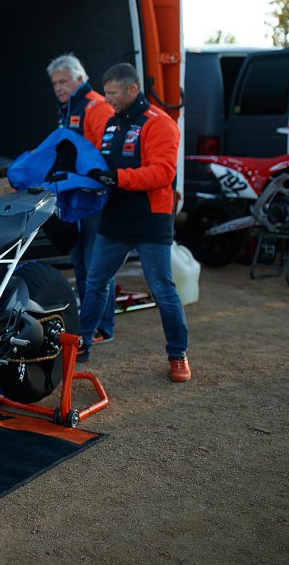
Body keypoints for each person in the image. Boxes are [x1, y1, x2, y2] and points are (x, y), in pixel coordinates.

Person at [79, 62, 191, 382]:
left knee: (162, 289)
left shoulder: (160, 123)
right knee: (95, 281)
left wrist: (116, 177)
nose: (106, 99)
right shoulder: (112, 123)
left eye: (112, 93)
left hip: (150, 219)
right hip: (114, 218)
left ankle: (178, 354)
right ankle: (82, 344)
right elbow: (106, 166)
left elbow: (163, 173)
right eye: (105, 93)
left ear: (132, 90)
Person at [46, 53, 116, 345]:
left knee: (96, 265)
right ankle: (88, 324)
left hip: (95, 202)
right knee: (80, 263)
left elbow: (103, 156)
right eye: (54, 83)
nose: (58, 87)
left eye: (63, 81)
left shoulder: (96, 107)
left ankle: (102, 328)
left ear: (79, 78)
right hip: (74, 201)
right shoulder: (67, 109)